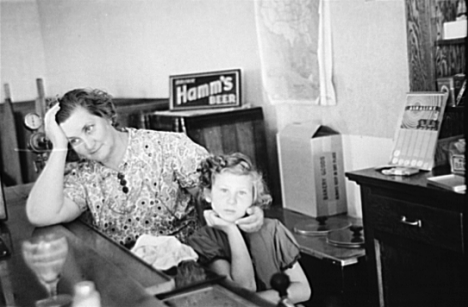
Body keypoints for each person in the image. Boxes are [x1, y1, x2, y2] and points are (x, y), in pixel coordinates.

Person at [25, 88, 264, 248]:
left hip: (187, 268)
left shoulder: (170, 147)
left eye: (88, 128)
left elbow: (225, 189)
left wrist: (252, 210)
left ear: (107, 116)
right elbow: (40, 215)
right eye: (74, 140)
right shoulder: (83, 176)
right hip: (124, 279)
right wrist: (58, 147)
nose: (87, 145)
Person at [187, 153, 311, 305]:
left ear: (253, 198)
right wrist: (231, 230)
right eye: (224, 191)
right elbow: (245, 289)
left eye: (242, 193)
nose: (231, 201)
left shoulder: (272, 230)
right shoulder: (203, 240)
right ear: (208, 195)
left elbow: (304, 290)